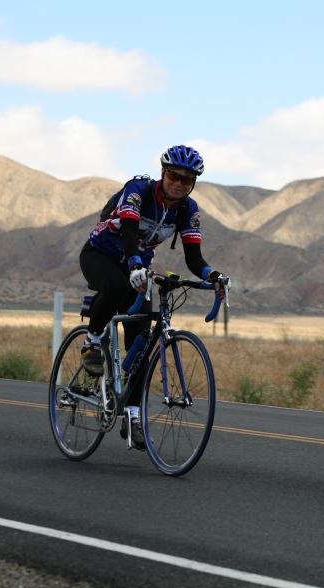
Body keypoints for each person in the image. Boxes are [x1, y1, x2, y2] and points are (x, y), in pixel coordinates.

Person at [78, 145, 227, 446]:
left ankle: (133, 414)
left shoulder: (187, 210)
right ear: (163, 173)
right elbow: (130, 233)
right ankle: (92, 342)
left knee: (142, 340)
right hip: (101, 255)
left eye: (187, 180)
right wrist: (133, 263)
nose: (179, 184)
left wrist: (213, 275)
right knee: (118, 288)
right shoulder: (138, 191)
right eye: (174, 176)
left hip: (139, 269)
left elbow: (194, 257)